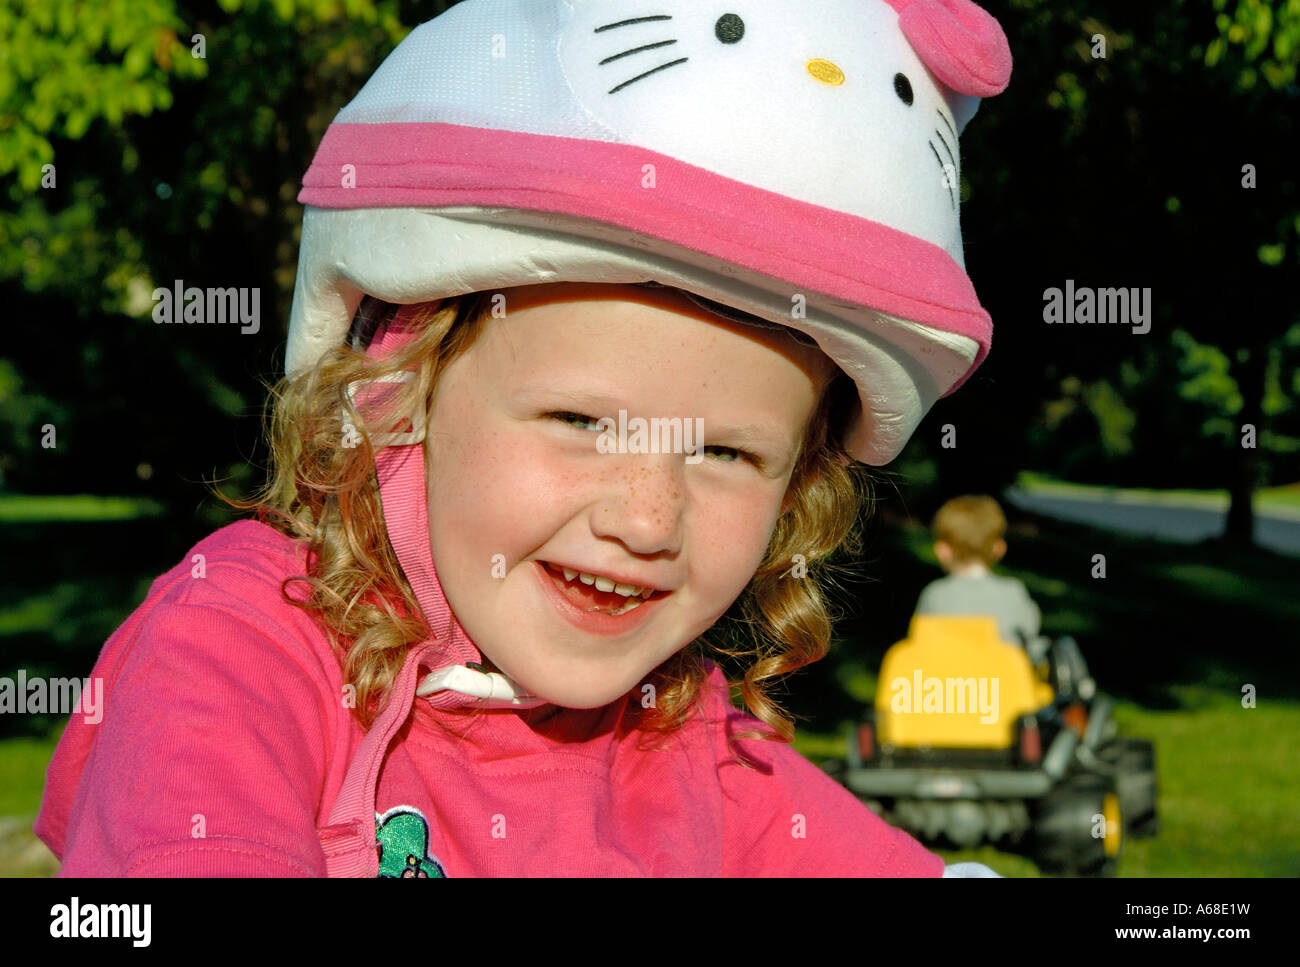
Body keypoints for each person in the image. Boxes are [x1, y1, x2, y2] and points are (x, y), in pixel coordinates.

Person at [35, 0, 1013, 876]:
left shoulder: (681, 735)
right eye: (582, 423)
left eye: (724, 452)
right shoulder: (241, 649)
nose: (647, 519)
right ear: (396, 392)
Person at [914, 495, 1046, 659]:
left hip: (951, 681)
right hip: (1006, 681)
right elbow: (1029, 633)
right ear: (999, 549)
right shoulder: (1014, 592)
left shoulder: (935, 595)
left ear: (943, 551)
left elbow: (920, 645)